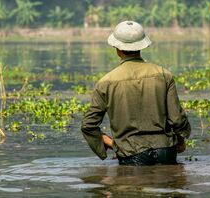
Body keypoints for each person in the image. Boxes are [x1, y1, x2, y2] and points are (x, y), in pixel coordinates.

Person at [81, 21, 191, 166]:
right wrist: (181, 142)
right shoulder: (164, 75)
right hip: (166, 150)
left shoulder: (105, 83)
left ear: (117, 48)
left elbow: (88, 126)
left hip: (131, 154)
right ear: (142, 46)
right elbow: (177, 119)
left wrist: (114, 145)